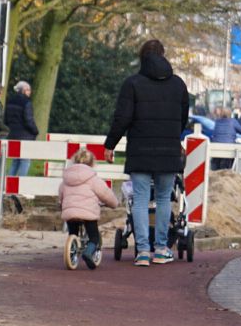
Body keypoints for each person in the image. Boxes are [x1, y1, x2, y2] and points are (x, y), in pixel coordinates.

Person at [105, 40, 191, 267]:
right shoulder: (178, 85)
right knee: (164, 198)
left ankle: (142, 251)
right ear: (163, 56)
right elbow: (183, 117)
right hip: (168, 150)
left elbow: (122, 118)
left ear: (142, 57)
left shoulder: (132, 84)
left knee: (141, 200)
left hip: (140, 150)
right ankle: (161, 249)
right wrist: (173, 135)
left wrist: (110, 144)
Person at [58, 148, 120, 265]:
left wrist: (61, 205)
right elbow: (106, 195)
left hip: (70, 212)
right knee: (94, 237)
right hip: (88, 213)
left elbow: (61, 195)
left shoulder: (66, 179)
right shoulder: (93, 179)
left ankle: (72, 248)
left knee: (72, 233)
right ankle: (89, 252)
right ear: (92, 164)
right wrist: (114, 204)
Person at [4, 80, 39, 177]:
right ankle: (21, 185)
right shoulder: (27, 102)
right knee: (25, 160)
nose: (30, 92)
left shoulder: (9, 101)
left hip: (13, 134)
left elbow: (5, 119)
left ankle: (9, 185)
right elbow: (29, 120)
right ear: (24, 90)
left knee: (15, 160)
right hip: (25, 135)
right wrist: (35, 131)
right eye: (28, 90)